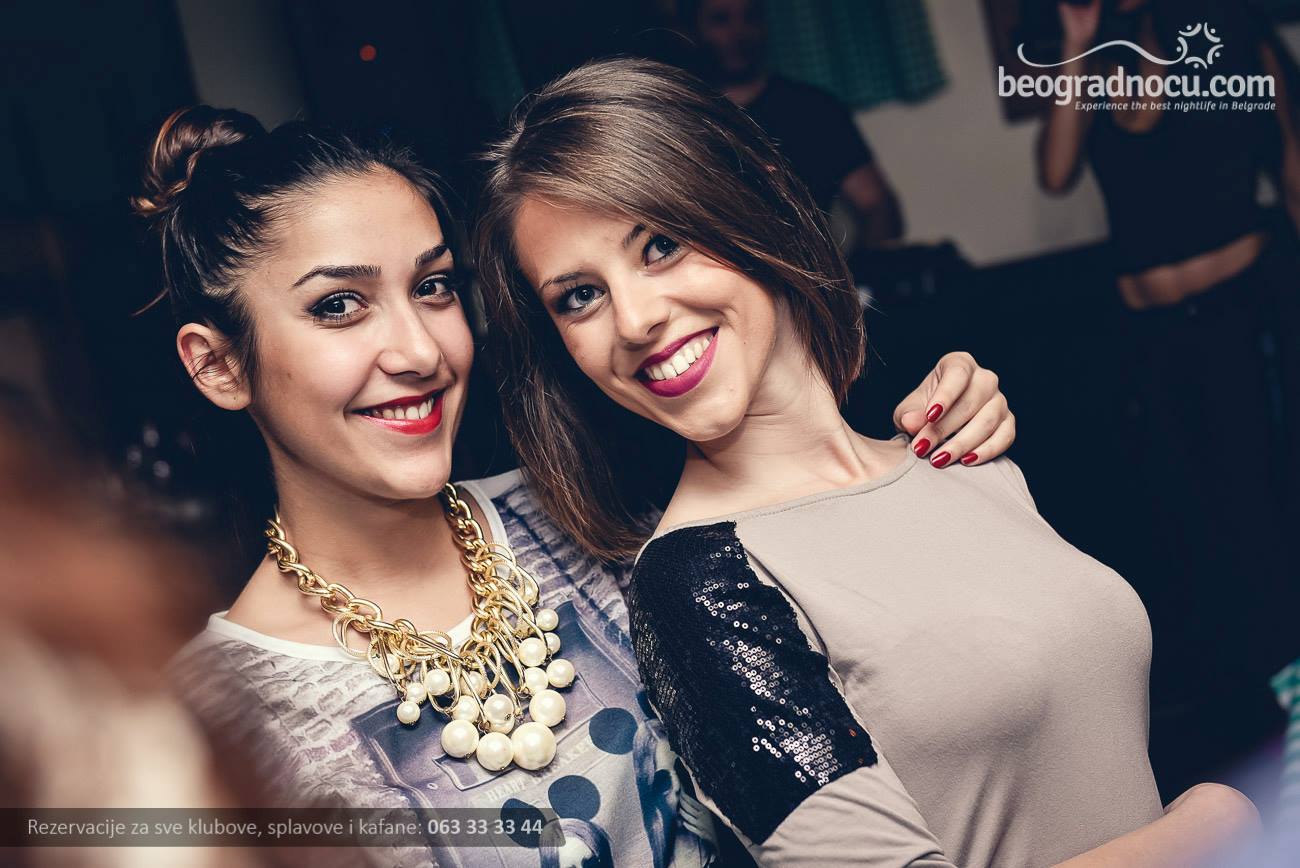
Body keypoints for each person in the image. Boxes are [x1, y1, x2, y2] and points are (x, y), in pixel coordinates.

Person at [139, 106, 1018, 867]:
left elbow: (840, 528)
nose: (419, 351)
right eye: (339, 305)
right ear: (218, 365)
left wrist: (935, 431)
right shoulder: (198, 728)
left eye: (434, 288)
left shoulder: (600, 502)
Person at [473, 57, 1263, 866]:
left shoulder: (966, 454)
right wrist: (1218, 820)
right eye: (579, 296)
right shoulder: (699, 583)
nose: (635, 319)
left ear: (762, 201)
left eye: (661, 244)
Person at [1036, 0, 1300, 798]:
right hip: (1147, 337)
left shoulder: (1238, 41)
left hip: (1245, 313)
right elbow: (1055, 173)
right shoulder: (1099, 62)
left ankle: (1293, 705)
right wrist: (1077, 40)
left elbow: (1293, 165)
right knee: (1190, 523)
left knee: (1264, 511)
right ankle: (1267, 709)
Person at [682, 0, 903, 248]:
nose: (739, 33)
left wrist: (864, 268)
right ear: (692, 30)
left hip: (807, 264)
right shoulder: (684, 116)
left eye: (750, 17)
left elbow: (877, 204)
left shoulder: (813, 108)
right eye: (721, 20)